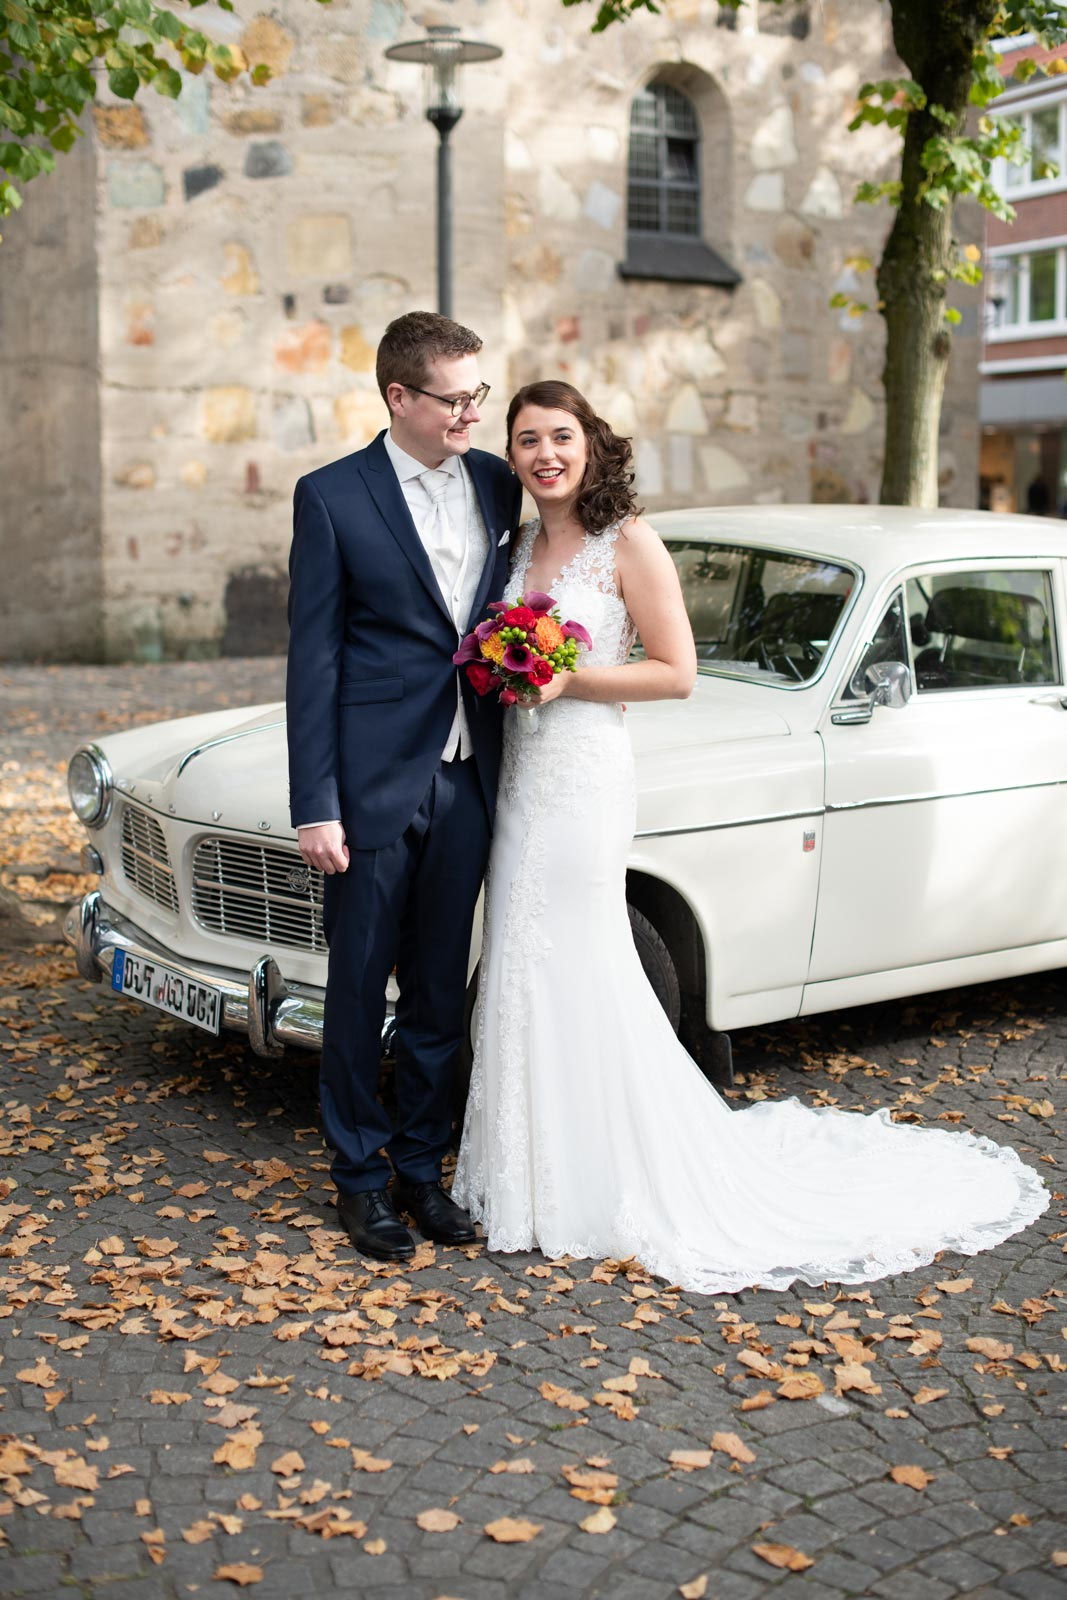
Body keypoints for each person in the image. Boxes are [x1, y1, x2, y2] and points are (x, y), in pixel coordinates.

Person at [452, 380, 1049, 1294]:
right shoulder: (521, 543)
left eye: (560, 436)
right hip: (523, 775)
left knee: (578, 951)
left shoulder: (628, 541)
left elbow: (676, 671)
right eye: (527, 439)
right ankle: (525, 1172)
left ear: (590, 444)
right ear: (512, 454)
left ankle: (599, 1171)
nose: (545, 455)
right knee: (520, 952)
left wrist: (568, 681)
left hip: (583, 773)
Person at [286, 311, 522, 1261]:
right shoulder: (331, 496)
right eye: (454, 398)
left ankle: (422, 1170)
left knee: (435, 992)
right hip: (374, 782)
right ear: (398, 396)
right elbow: (315, 658)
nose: (472, 413)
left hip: (470, 776)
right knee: (356, 991)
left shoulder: (498, 484)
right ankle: (358, 1178)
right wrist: (316, 802)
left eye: (477, 394)